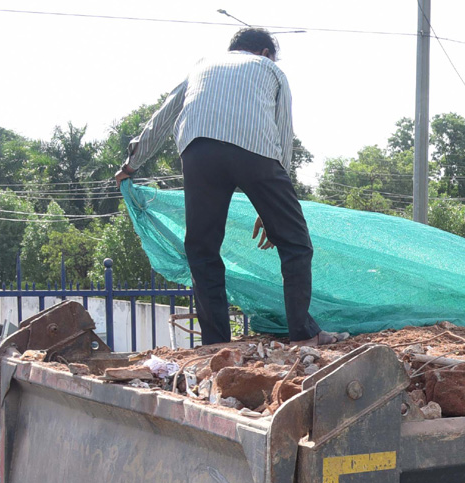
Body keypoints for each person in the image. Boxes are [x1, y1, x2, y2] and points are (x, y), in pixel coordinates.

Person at [115, 27, 338, 347]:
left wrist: (130, 165)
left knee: (202, 250)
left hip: (198, 151)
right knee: (296, 243)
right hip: (256, 152)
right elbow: (283, 133)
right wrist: (273, 206)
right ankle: (303, 334)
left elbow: (162, 119)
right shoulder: (271, 69)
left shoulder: (202, 66)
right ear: (264, 53)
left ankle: (215, 344)